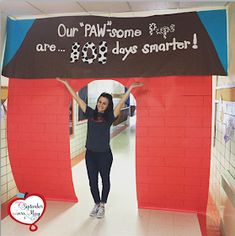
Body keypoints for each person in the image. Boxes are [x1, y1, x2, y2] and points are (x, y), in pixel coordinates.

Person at [57, 78, 143, 218]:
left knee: (105, 179)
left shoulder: (109, 117)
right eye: (99, 102)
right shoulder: (90, 113)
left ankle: (103, 205)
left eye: (104, 103)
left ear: (107, 105)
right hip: (90, 154)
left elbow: (121, 103)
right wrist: (66, 84)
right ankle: (96, 203)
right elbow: (76, 98)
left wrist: (131, 88)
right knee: (92, 181)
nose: (101, 105)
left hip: (104, 155)